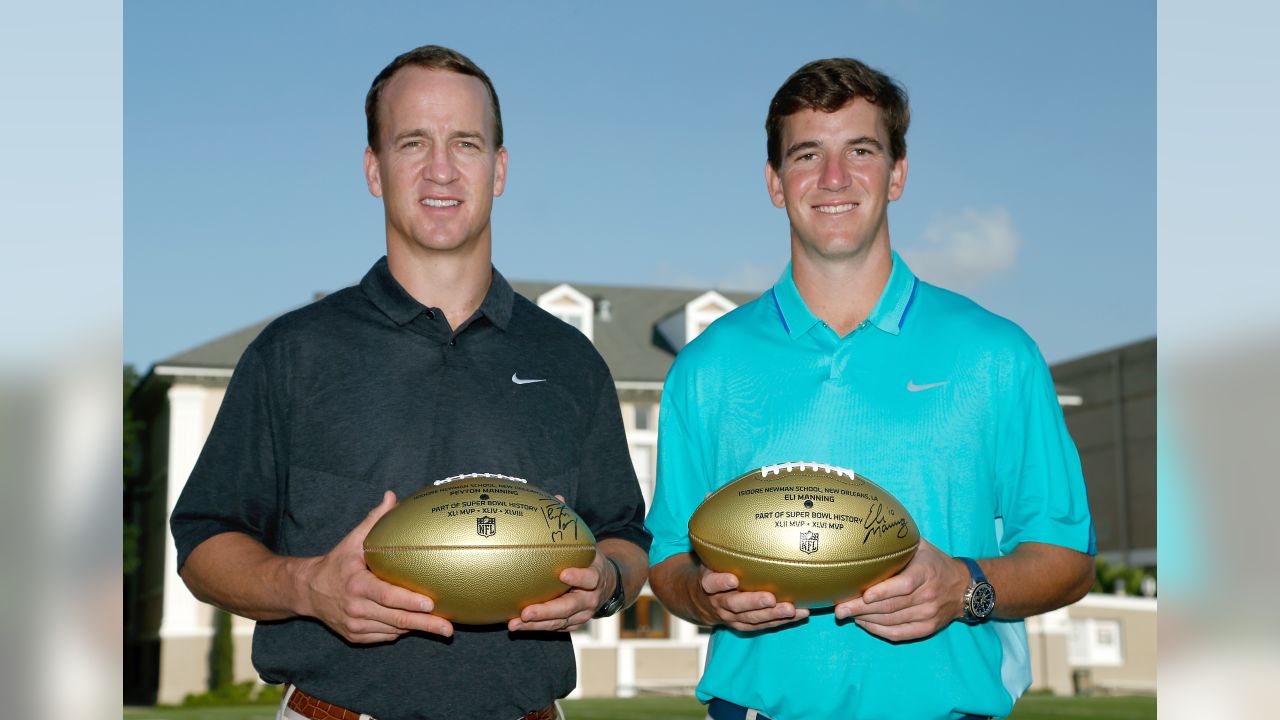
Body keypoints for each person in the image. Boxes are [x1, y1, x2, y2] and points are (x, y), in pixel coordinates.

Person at [170, 45, 651, 720]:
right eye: (412, 142)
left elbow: (626, 535)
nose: (442, 169)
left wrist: (604, 582)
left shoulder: (571, 360)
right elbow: (203, 543)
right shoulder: (294, 351)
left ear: (500, 168)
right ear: (374, 169)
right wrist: (308, 587)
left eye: (466, 143)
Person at [646, 58, 1096, 720]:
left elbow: (1069, 561)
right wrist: (704, 597)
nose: (833, 179)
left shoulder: (997, 354)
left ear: (898, 173)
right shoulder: (705, 367)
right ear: (775, 181)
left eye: (860, 150)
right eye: (807, 155)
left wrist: (965, 587)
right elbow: (668, 563)